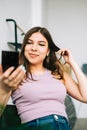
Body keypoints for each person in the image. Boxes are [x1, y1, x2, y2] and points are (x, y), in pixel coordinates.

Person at [0, 26, 87, 130]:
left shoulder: (58, 74)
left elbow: (85, 97)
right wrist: (4, 88)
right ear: (24, 47)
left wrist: (72, 62)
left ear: (47, 51)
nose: (34, 48)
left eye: (41, 44)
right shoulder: (16, 74)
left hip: (63, 126)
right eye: (29, 43)